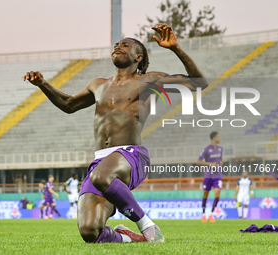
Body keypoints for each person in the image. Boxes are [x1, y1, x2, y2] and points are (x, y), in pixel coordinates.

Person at [24, 23, 207, 243]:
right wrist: (43, 84)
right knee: (90, 231)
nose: (118, 46)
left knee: (102, 176)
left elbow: (199, 83)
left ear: (138, 57)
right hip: (100, 163)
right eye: (116, 44)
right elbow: (68, 104)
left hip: (131, 155)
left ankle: (147, 226)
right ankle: (135, 239)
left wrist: (176, 48)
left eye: (125, 45)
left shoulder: (149, 80)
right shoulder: (98, 84)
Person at [197, 132, 223, 223]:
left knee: (217, 193)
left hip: (218, 175)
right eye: (218, 137)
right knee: (205, 194)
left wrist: (221, 162)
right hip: (208, 175)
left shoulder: (220, 149)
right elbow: (199, 161)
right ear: (214, 138)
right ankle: (203, 214)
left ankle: (211, 214)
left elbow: (220, 160)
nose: (219, 138)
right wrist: (210, 164)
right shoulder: (206, 150)